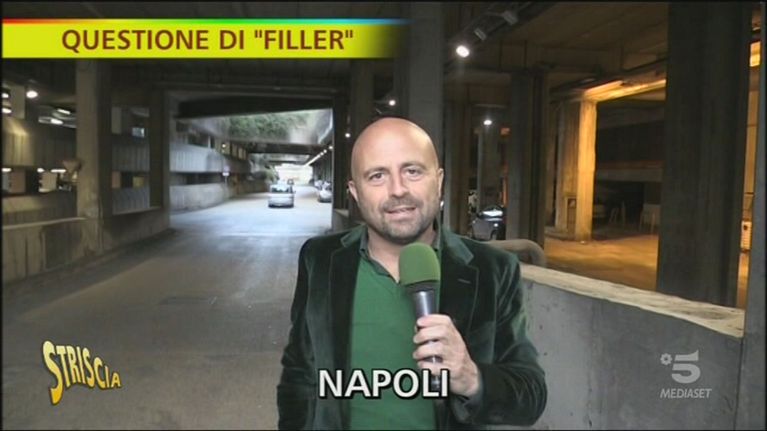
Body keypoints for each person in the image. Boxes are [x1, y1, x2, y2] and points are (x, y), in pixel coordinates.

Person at [277, 117, 547, 430]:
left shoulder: (493, 270)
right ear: (355, 192)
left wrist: (471, 377)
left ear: (439, 180)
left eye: (413, 171)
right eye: (377, 176)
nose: (398, 190)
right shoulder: (320, 259)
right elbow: (299, 373)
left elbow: (531, 397)